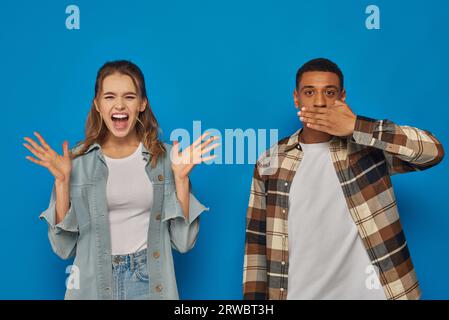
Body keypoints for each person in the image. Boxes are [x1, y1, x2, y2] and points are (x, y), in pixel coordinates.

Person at [243, 58, 444, 300]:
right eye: (309, 92)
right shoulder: (271, 161)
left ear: (343, 97)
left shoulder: (368, 147)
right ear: (297, 98)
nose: (319, 102)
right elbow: (256, 242)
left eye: (330, 92)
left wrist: (357, 126)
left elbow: (433, 152)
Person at [23, 60, 219, 300]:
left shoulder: (169, 159)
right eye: (109, 97)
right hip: (92, 284)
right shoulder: (76, 163)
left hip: (149, 281)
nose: (119, 105)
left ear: (142, 103)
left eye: (129, 96)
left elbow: (184, 242)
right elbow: (63, 248)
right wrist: (63, 183)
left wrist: (181, 179)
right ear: (97, 104)